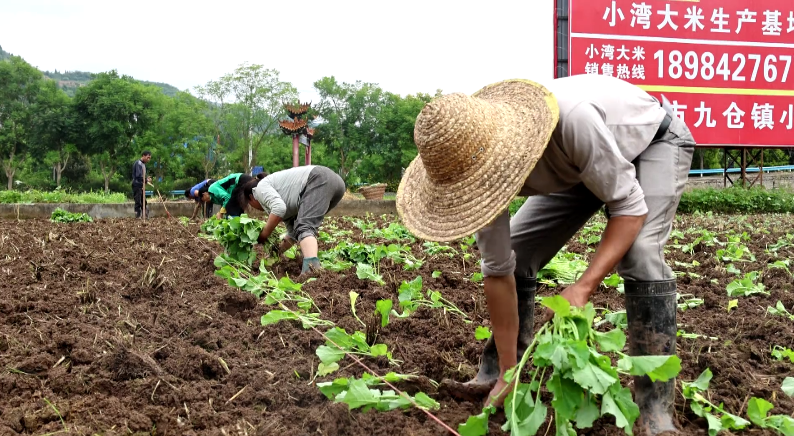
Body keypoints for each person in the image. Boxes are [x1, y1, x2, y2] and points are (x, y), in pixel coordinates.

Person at [396, 75, 695, 435]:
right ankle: (502, 373)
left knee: (641, 253)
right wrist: (509, 368)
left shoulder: (573, 121)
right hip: (578, 169)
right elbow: (498, 269)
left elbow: (630, 207)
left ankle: (654, 407)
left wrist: (583, 287)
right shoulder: (475, 164)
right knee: (518, 252)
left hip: (651, 141)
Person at [237, 165, 346, 274]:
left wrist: (264, 234)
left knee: (305, 227)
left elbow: (279, 209)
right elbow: (293, 234)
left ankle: (312, 271)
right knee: (301, 228)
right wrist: (274, 253)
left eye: (250, 204)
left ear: (251, 197)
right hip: (336, 183)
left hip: (318, 178)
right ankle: (312, 267)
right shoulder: (285, 197)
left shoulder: (260, 188)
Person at [132, 151, 152, 219]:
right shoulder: (138, 163)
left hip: (141, 185)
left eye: (149, 158)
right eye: (148, 157)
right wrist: (146, 180)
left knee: (144, 201)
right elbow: (138, 176)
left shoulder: (143, 165)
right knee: (138, 201)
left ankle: (145, 215)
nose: (148, 159)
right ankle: (138, 216)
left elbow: (142, 176)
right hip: (137, 185)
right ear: (143, 156)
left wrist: (146, 180)